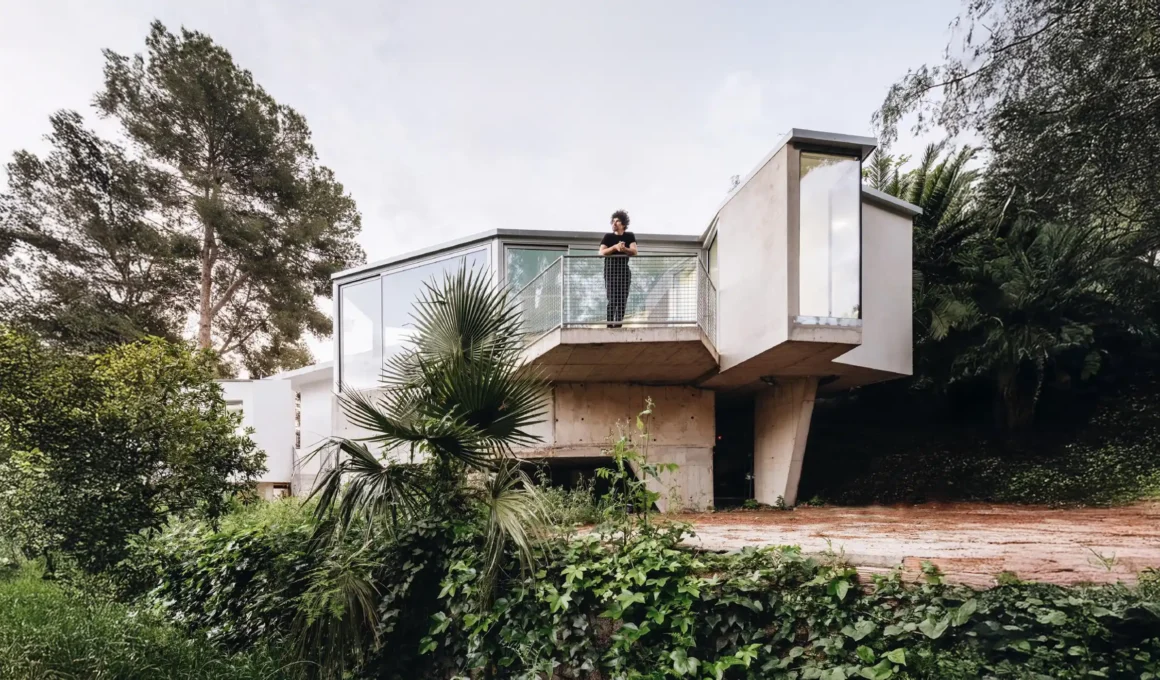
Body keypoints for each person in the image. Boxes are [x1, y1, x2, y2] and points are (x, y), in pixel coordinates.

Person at [599, 210, 637, 327]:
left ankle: (618, 325)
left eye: (618, 221)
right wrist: (615, 247)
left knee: (622, 299)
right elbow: (601, 252)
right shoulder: (608, 237)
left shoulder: (629, 236)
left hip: (624, 272)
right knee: (612, 299)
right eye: (613, 221)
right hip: (610, 272)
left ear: (624, 224)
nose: (614, 223)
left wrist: (624, 249)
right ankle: (609, 325)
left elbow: (634, 251)